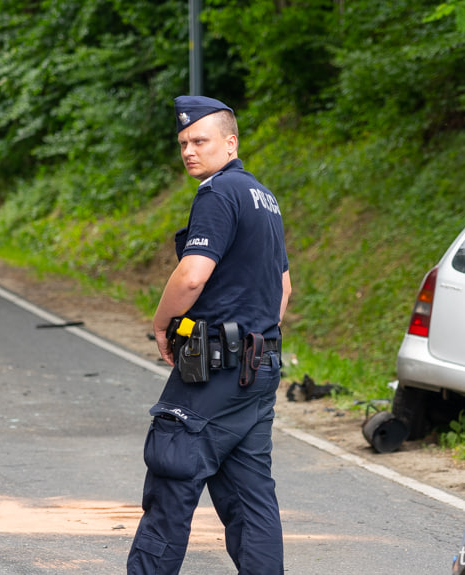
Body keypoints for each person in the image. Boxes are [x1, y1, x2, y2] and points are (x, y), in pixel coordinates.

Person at [127, 96, 292, 574]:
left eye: (199, 140)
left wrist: (162, 323)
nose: (189, 151)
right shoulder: (265, 197)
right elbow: (283, 288)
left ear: (230, 142)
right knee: (250, 497)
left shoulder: (218, 193)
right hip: (259, 368)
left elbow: (193, 274)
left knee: (172, 476)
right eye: (183, 143)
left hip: (215, 371)